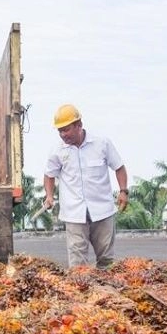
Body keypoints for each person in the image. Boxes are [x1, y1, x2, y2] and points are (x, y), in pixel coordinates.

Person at [44, 104, 128, 268]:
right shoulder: (57, 151)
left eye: (66, 129)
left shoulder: (102, 144)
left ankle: (105, 293)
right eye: (59, 131)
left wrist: (124, 191)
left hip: (102, 212)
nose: (63, 135)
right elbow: (49, 175)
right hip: (74, 215)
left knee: (106, 262)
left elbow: (119, 167)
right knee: (78, 266)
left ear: (79, 125)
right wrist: (48, 195)